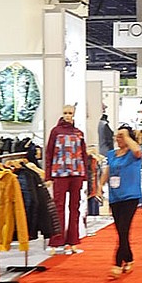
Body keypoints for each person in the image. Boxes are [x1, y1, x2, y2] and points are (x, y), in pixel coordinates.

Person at [100, 124, 142, 280]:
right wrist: (99, 186)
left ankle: (117, 263)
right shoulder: (111, 154)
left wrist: (127, 136)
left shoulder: (133, 153)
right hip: (115, 196)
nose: (118, 139)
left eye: (121, 136)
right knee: (120, 231)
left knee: (124, 229)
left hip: (130, 196)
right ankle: (129, 258)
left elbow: (137, 150)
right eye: (117, 136)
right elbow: (108, 171)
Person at [45, 104, 87, 255]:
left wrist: (85, 176)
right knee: (58, 207)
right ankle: (56, 242)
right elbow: (49, 153)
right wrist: (48, 176)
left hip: (76, 174)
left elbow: (83, 154)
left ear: (74, 114)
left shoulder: (79, 132)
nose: (68, 115)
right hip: (60, 173)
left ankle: (73, 241)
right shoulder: (55, 132)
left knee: (74, 208)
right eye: (65, 113)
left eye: (70, 113)